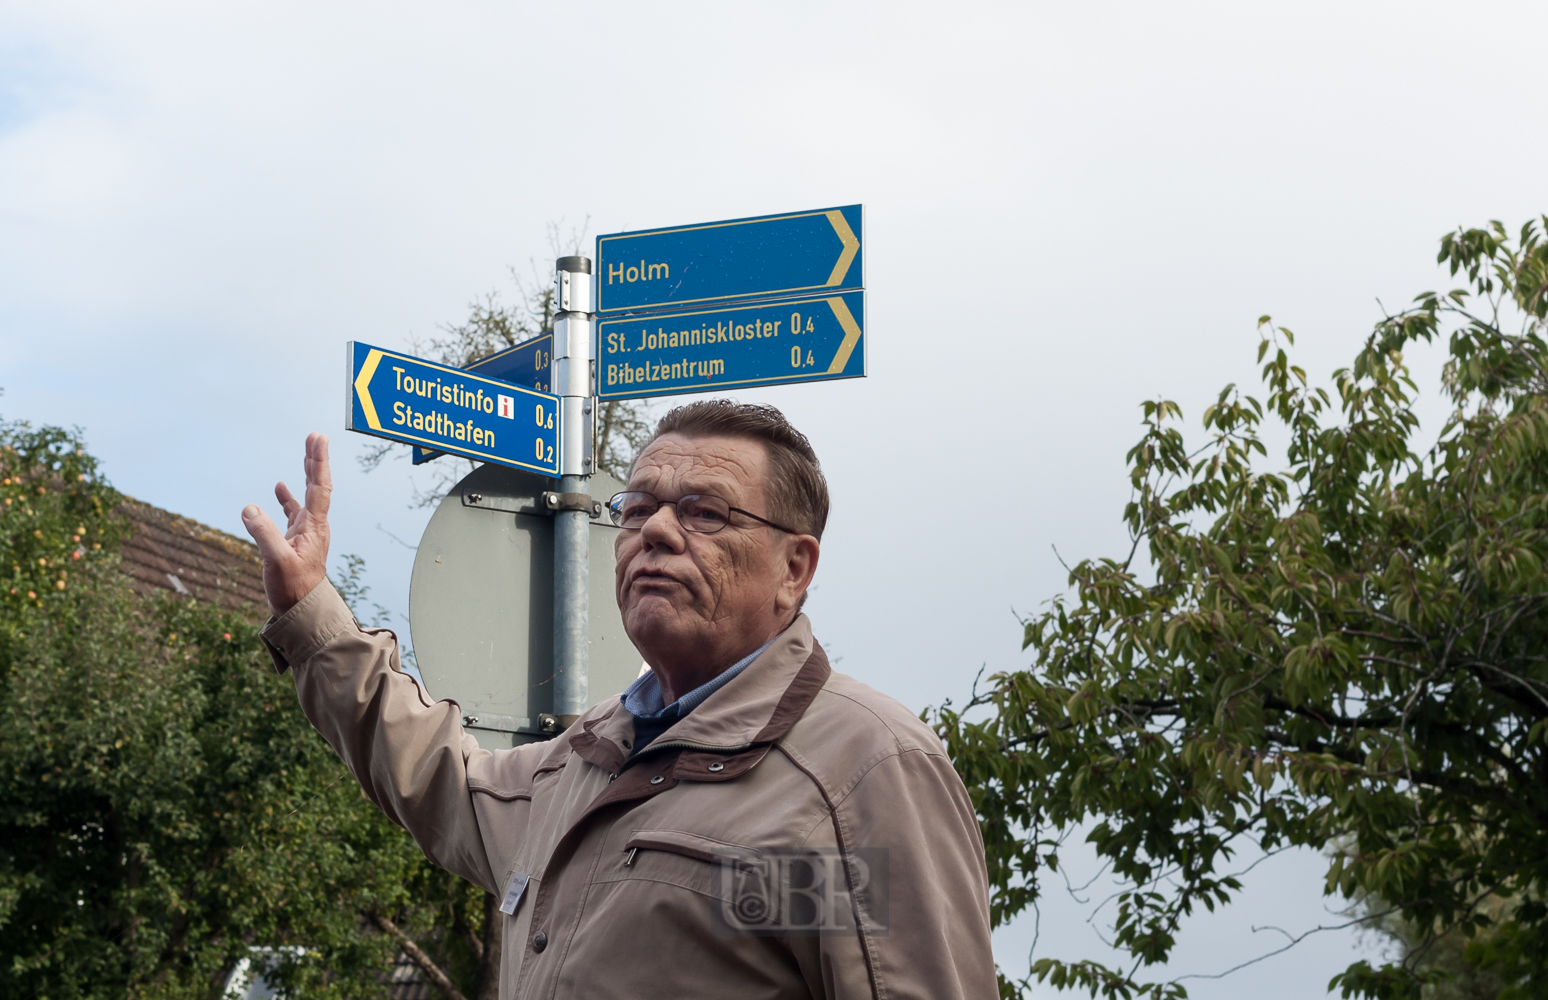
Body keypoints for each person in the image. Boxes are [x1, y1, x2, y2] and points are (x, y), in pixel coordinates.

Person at [241, 399, 998, 999]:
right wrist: (315, 616)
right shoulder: (585, 760)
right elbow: (441, 775)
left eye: (705, 512)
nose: (657, 531)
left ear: (794, 568)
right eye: (637, 509)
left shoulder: (860, 772)